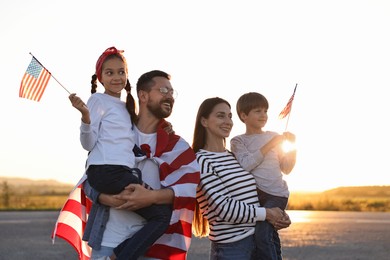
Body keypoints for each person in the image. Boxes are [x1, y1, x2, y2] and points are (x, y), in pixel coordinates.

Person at [82, 70, 200, 260]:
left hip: (156, 245)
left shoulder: (177, 145)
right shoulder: (114, 134)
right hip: (108, 242)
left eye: (172, 92)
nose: (169, 96)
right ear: (143, 96)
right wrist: (106, 198)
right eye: (163, 90)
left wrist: (151, 197)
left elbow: (187, 190)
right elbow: (89, 181)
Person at [69, 48, 172, 260]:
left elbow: (132, 141)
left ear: (126, 75)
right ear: (100, 77)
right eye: (109, 73)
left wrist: (165, 127)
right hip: (108, 171)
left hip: (120, 171)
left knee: (159, 215)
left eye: (120, 72)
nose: (116, 77)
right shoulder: (98, 100)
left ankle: (116, 256)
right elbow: (88, 145)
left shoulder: (126, 107)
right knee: (161, 216)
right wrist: (86, 118)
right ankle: (117, 257)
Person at [191, 97, 291, 260]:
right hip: (232, 249)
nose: (228, 121)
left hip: (259, 241)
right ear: (204, 121)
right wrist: (267, 213)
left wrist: (278, 216)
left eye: (230, 116)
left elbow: (255, 196)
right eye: (221, 116)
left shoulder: (233, 157)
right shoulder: (201, 160)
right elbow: (225, 208)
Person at [230, 92, 297, 260]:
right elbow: (245, 165)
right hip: (255, 195)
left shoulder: (274, 136)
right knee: (267, 236)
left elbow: (286, 168)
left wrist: (292, 149)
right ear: (244, 115)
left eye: (265, 111)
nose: (263, 115)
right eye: (258, 111)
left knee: (262, 235)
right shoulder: (238, 141)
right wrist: (270, 145)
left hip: (276, 194)